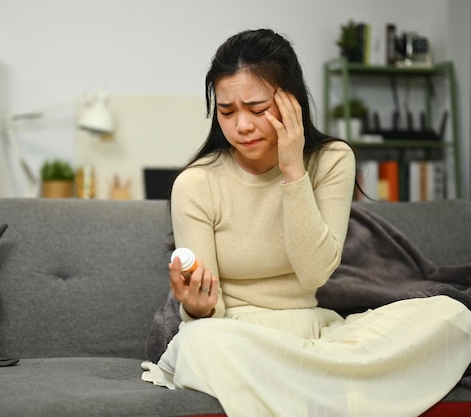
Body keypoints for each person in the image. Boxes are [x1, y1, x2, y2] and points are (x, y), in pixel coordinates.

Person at [141, 28, 471, 417]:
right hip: (236, 335)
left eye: (257, 108)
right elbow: (208, 311)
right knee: (199, 343)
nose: (241, 125)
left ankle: (306, 389)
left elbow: (314, 272)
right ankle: (338, 392)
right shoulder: (196, 183)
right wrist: (196, 308)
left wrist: (293, 170)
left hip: (317, 333)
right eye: (227, 111)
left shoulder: (331, 160)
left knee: (451, 315)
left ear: (291, 103)